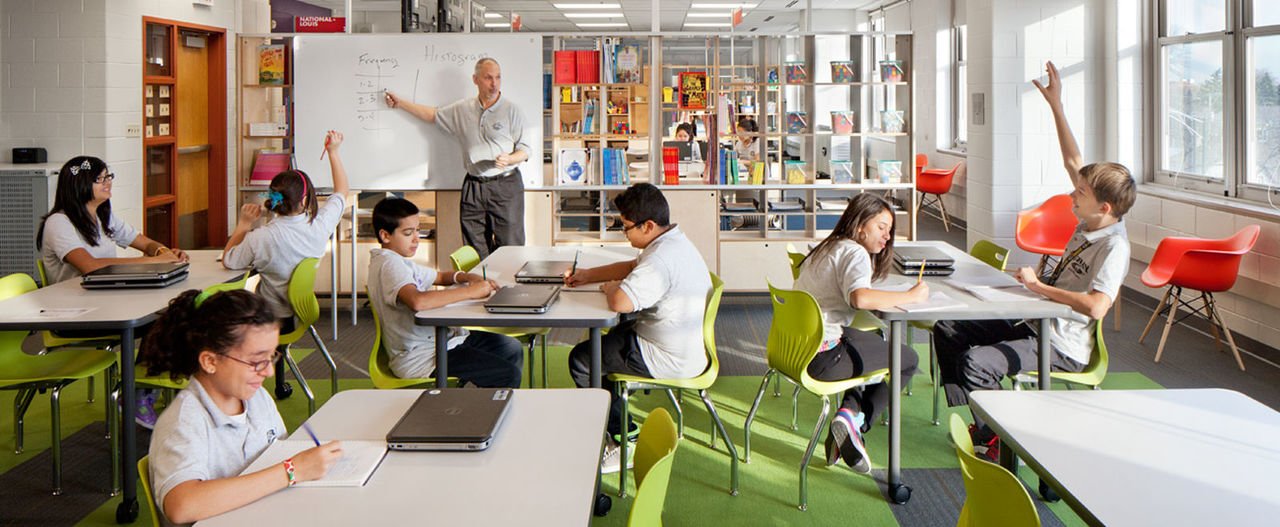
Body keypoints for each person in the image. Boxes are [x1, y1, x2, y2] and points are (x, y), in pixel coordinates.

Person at [933, 60, 1135, 461]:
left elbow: (1097, 306)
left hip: (1061, 342)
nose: (1072, 195)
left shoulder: (1114, 247)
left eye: (1080, 192)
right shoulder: (1090, 218)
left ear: (1105, 206)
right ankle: (984, 421)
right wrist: (1056, 106)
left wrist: (1040, 287)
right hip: (1033, 318)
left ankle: (1008, 437)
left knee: (975, 362)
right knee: (948, 327)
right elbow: (1073, 159)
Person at [140, 289, 342, 526]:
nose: (268, 372)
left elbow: (278, 455)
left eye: (271, 357)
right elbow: (181, 505)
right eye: (257, 361)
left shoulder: (256, 398)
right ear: (210, 361)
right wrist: (291, 470)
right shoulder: (184, 422)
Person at [564, 183, 710, 473]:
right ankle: (608, 418)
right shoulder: (671, 241)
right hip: (671, 339)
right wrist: (588, 275)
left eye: (626, 227)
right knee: (603, 345)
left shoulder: (660, 260)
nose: (624, 232)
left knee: (582, 360)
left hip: (666, 355)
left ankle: (623, 440)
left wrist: (610, 287)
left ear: (648, 226)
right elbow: (633, 267)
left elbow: (619, 301)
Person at [36, 155, 190, 429]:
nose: (108, 184)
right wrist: (154, 261)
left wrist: (162, 251)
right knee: (163, 320)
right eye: (101, 179)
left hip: (107, 302)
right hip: (76, 315)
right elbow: (89, 266)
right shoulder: (59, 223)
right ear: (80, 184)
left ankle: (148, 391)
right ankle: (138, 395)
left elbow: (144, 242)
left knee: (175, 312)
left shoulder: (102, 216)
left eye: (109, 177)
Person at [792, 193, 925, 474]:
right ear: (861, 225)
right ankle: (856, 423)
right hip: (824, 359)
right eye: (881, 226)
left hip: (797, 350)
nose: (888, 236)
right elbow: (860, 299)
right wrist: (912, 296)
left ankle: (846, 417)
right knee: (908, 359)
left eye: (890, 229)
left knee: (870, 343)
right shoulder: (855, 252)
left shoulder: (829, 246)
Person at [222, 130, 351, 399]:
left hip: (268, 319)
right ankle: (280, 380)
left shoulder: (261, 238)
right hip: (300, 314)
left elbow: (230, 260)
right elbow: (342, 191)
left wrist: (243, 225)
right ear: (305, 201)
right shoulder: (319, 225)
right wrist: (334, 152)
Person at [366, 196, 524, 387]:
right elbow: (418, 302)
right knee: (507, 373)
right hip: (422, 356)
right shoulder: (389, 265)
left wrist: (466, 277)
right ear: (385, 236)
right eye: (408, 233)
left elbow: (439, 277)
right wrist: (471, 292)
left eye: (418, 230)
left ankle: (490, 404)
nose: (417, 238)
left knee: (510, 348)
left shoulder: (399, 261)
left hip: (444, 342)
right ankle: (489, 410)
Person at [384, 58, 531, 261]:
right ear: (476, 79)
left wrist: (510, 158)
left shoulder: (511, 110)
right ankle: (481, 288)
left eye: (498, 77)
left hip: (505, 184)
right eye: (488, 78)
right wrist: (400, 103)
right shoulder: (462, 109)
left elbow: (525, 149)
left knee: (510, 247)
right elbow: (433, 115)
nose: (494, 83)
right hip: (473, 185)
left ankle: (508, 291)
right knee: (473, 248)